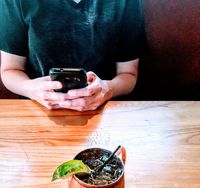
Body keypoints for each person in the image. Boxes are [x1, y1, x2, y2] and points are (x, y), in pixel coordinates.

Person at [0, 0, 146, 111]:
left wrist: (107, 89)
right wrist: (31, 89)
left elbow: (128, 74)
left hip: (104, 112)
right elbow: (10, 69)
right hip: (38, 112)